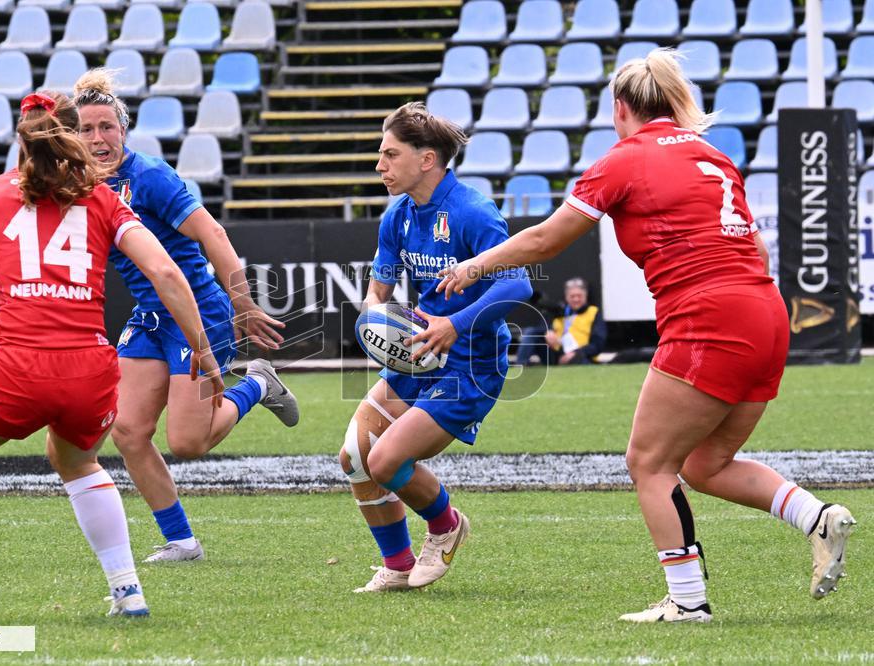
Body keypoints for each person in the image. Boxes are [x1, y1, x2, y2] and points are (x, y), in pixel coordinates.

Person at [437, 49, 855, 622]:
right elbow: (755, 249)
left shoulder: (623, 159)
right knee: (707, 464)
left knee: (648, 462)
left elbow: (546, 241)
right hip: (765, 311)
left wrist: (473, 265)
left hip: (709, 318)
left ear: (621, 107)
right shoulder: (712, 154)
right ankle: (817, 517)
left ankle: (687, 601)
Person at [0, 91, 213, 619]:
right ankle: (128, 591)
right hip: (89, 370)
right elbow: (168, 273)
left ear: (21, 143)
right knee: (78, 460)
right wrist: (202, 348)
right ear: (71, 141)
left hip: (17, 366)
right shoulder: (103, 199)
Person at [72, 70, 298, 563]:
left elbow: (213, 234)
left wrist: (242, 304)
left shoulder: (150, 176)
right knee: (128, 432)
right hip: (151, 314)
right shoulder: (78, 187)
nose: (97, 138)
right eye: (86, 129)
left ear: (123, 131)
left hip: (200, 309)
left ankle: (258, 383)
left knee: (189, 442)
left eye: (106, 127)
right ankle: (181, 541)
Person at [340, 102, 532, 593]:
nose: (379, 165)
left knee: (384, 463)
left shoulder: (471, 211)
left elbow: (518, 286)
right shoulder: (398, 214)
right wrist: (372, 316)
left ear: (427, 160)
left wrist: (455, 324)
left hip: (470, 366)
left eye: (389, 155)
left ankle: (446, 527)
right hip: (419, 355)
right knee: (355, 456)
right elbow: (380, 286)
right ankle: (398, 565)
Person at [515, 277, 606, 366]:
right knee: (531, 332)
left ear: (586, 296)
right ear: (566, 297)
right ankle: (521, 365)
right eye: (572, 296)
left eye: (579, 296)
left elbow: (598, 344)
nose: (576, 299)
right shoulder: (559, 311)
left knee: (580, 360)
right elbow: (542, 327)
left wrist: (576, 353)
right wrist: (549, 331)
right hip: (557, 353)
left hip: (581, 355)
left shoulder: (593, 312)